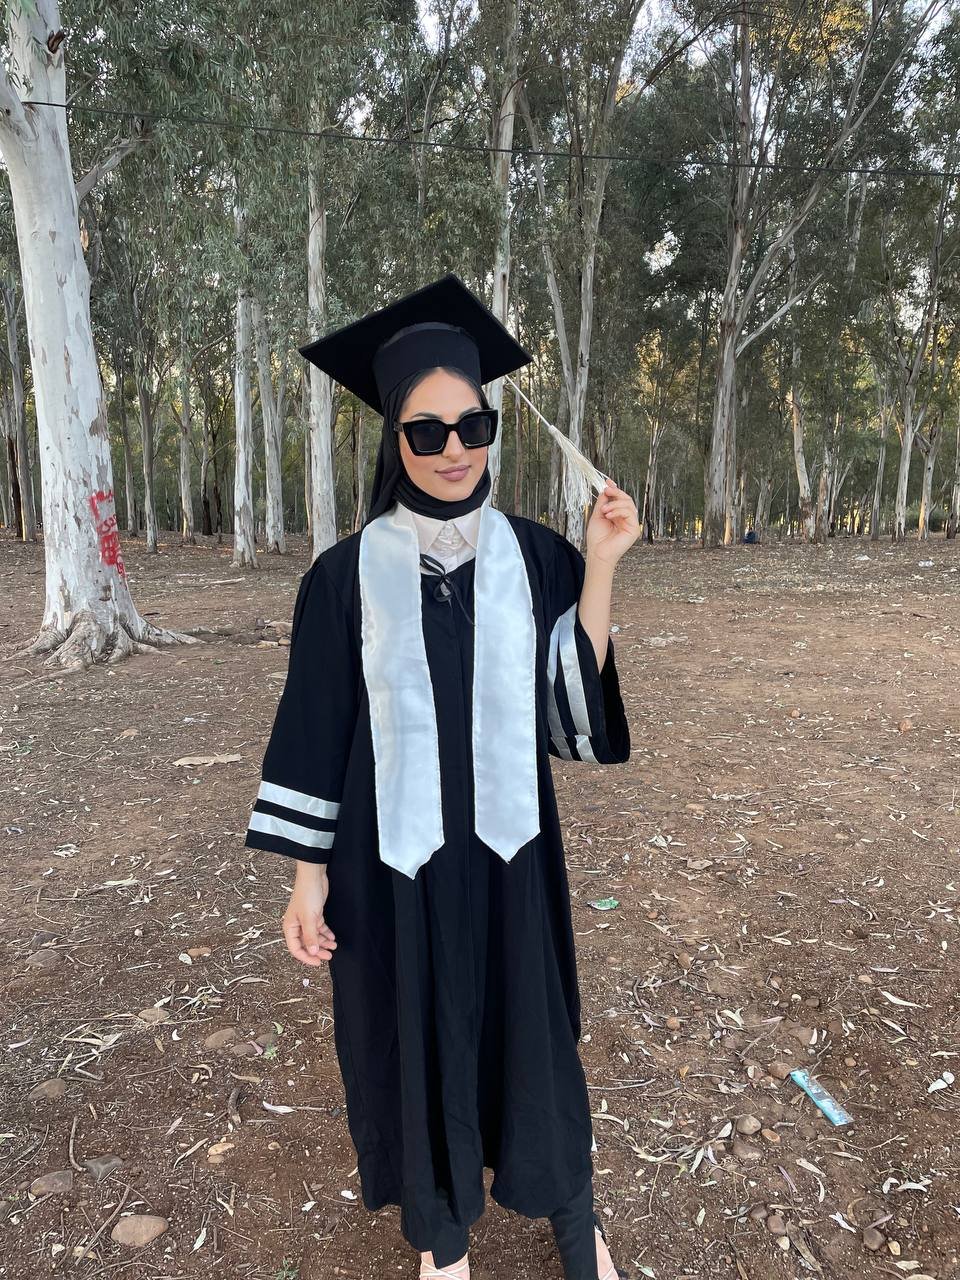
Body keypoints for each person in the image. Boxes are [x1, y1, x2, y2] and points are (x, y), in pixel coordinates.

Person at [243, 273, 639, 1280]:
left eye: (474, 424)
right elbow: (316, 729)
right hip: (394, 866)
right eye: (427, 431)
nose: (454, 448)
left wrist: (600, 564)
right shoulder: (343, 577)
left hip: (511, 859)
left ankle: (574, 1218)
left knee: (535, 1035)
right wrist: (306, 877)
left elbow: (569, 713)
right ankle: (444, 1239)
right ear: (396, 440)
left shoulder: (534, 556)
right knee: (411, 1042)